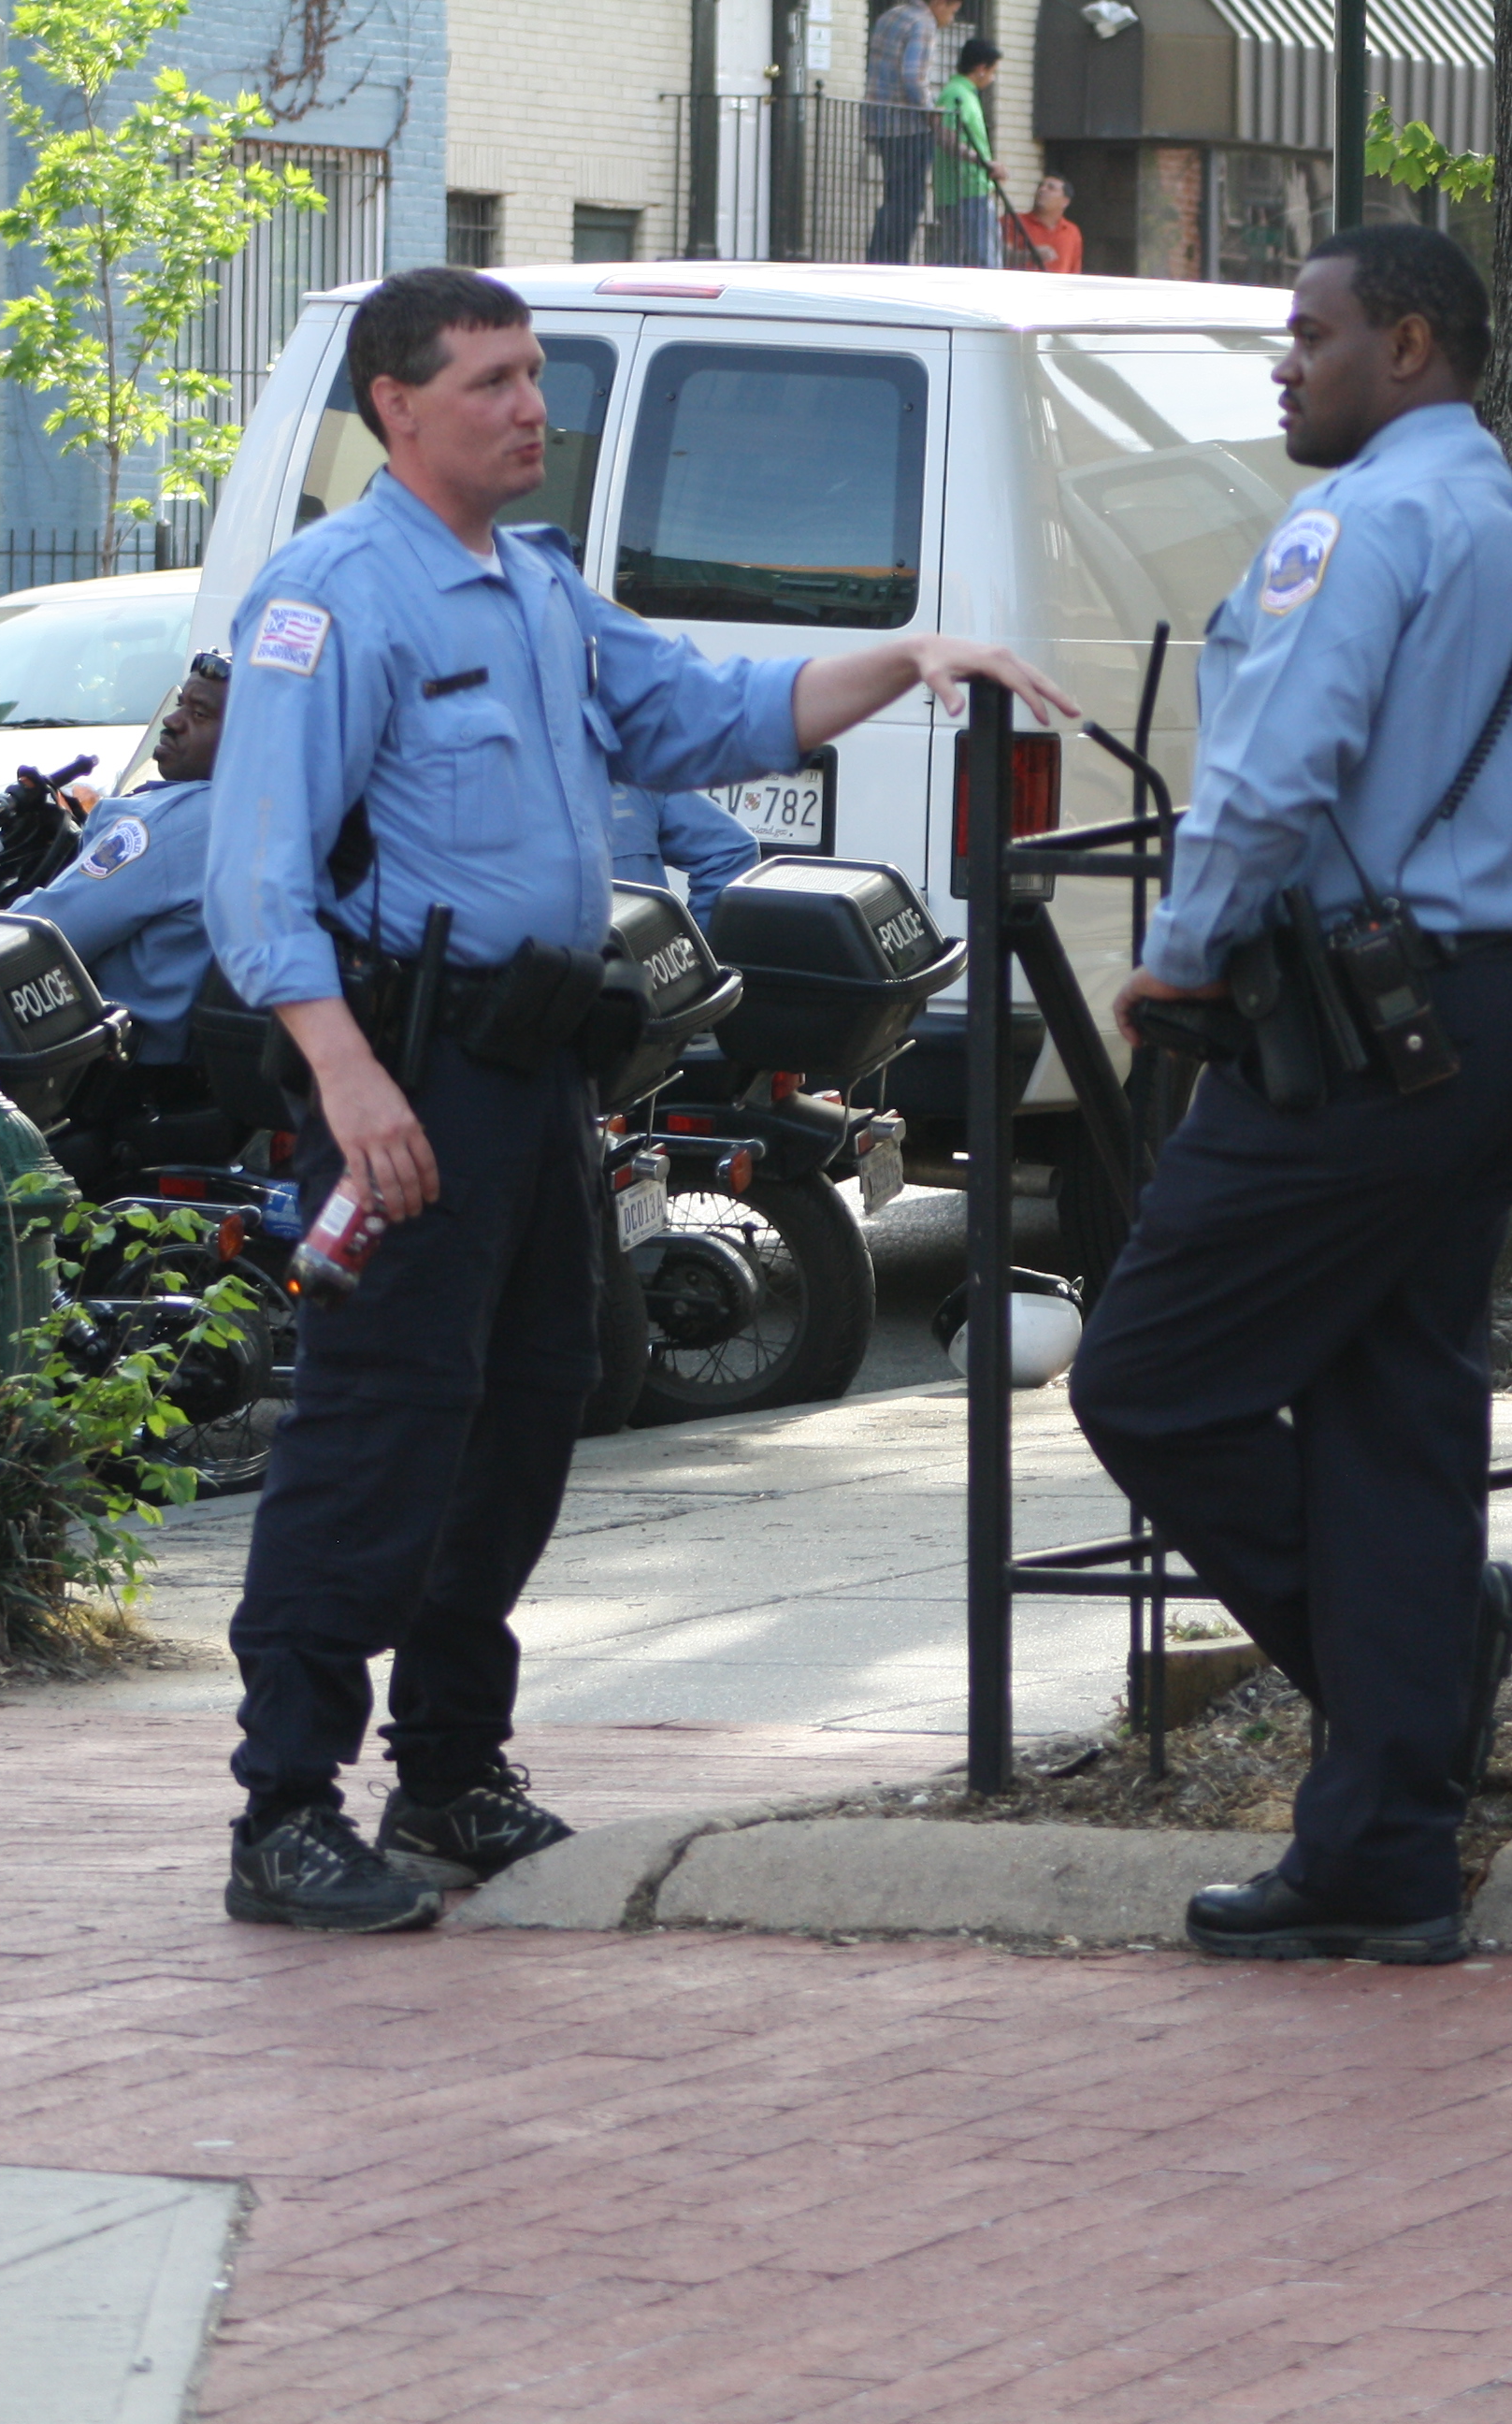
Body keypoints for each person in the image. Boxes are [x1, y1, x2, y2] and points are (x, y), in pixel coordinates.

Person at [202, 267, 1071, 1931]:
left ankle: (448, 1773)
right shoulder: (329, 598)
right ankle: (286, 1808)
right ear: (394, 405)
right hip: (404, 1071)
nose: (532, 406)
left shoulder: (534, 586)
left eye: (536, 376)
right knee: (376, 1423)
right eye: (492, 382)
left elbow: (706, 714)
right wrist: (349, 1077)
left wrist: (907, 655)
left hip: (536, 1073)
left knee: (537, 1405)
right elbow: (258, 879)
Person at [1066, 224, 1512, 1965]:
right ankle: (1382, 1845)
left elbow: (1273, 772)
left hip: (1364, 1033)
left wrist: (1176, 950)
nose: (1284, 364)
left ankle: (1422, 1671)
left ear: (1414, 347)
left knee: (1148, 1378)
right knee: (1392, 1421)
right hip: (1502, 1018)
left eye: (1311, 334)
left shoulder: (1357, 523)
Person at [8, 650, 228, 1064]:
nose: (173, 721)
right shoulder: (269, 812)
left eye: (200, 714)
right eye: (182, 703)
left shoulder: (165, 826)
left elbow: (40, 936)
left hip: (113, 1066)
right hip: (195, 1073)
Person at [862, 0, 959, 264]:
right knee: (908, 201)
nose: (952, 17)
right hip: (908, 125)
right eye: (953, 10)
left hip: (879, 120)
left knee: (894, 197)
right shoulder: (922, 22)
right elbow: (913, 77)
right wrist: (931, 112)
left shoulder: (891, 15)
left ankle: (878, 258)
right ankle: (892, 263)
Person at [608, 776, 757, 919]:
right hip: (640, 940)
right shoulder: (629, 774)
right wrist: (694, 940)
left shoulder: (632, 777)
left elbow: (732, 849)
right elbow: (733, 847)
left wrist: (695, 939)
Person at [933, 39, 1003, 269]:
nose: (993, 77)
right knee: (982, 260)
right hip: (966, 190)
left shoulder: (963, 94)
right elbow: (944, 134)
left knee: (976, 256)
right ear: (981, 68)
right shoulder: (957, 94)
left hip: (967, 190)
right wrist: (981, 161)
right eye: (993, 70)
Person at [1012, 174, 1084, 275]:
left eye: (1051, 188)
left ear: (1065, 202)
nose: (1042, 190)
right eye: (1040, 186)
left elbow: (1074, 271)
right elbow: (998, 257)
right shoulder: (1013, 221)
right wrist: (1030, 255)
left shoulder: (1072, 231)